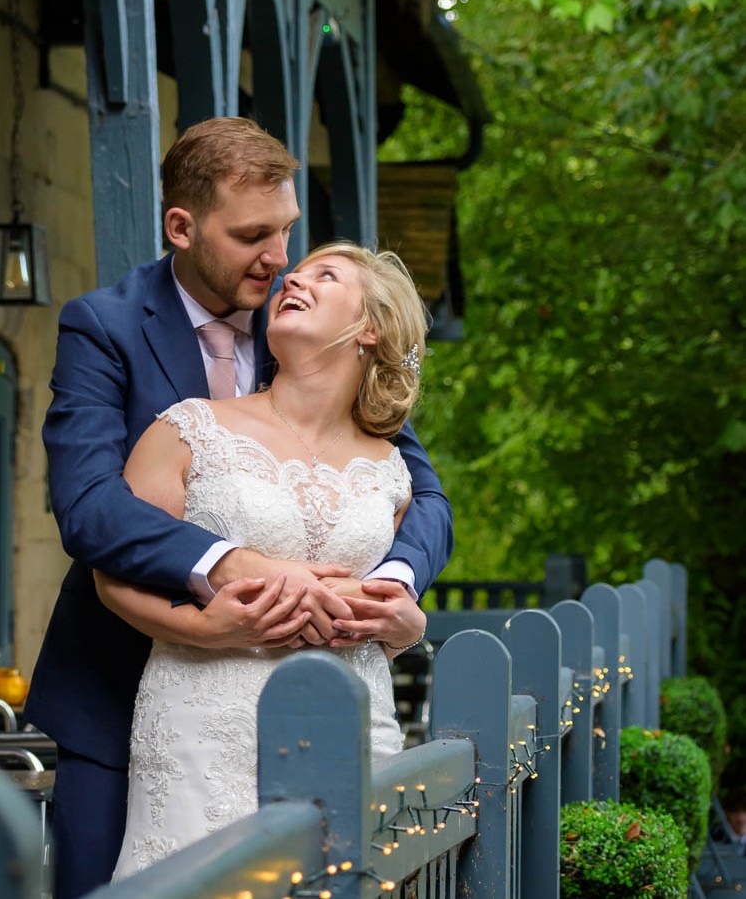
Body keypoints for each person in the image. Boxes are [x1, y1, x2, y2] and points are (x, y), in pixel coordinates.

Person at [23, 117, 452, 898]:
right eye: (253, 235)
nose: (280, 258)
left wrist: (392, 587)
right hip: (123, 690)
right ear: (181, 228)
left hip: (320, 705)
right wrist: (226, 565)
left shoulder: (315, 330)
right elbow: (87, 506)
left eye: (285, 229)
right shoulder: (105, 326)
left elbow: (418, 491)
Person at [99, 242, 429, 875]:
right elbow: (114, 575)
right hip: (203, 724)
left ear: (371, 328)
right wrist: (203, 628)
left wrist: (403, 628)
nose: (292, 281)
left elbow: (374, 609)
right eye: (294, 276)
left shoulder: (393, 469)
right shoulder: (188, 430)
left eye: (324, 276)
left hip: (351, 723)